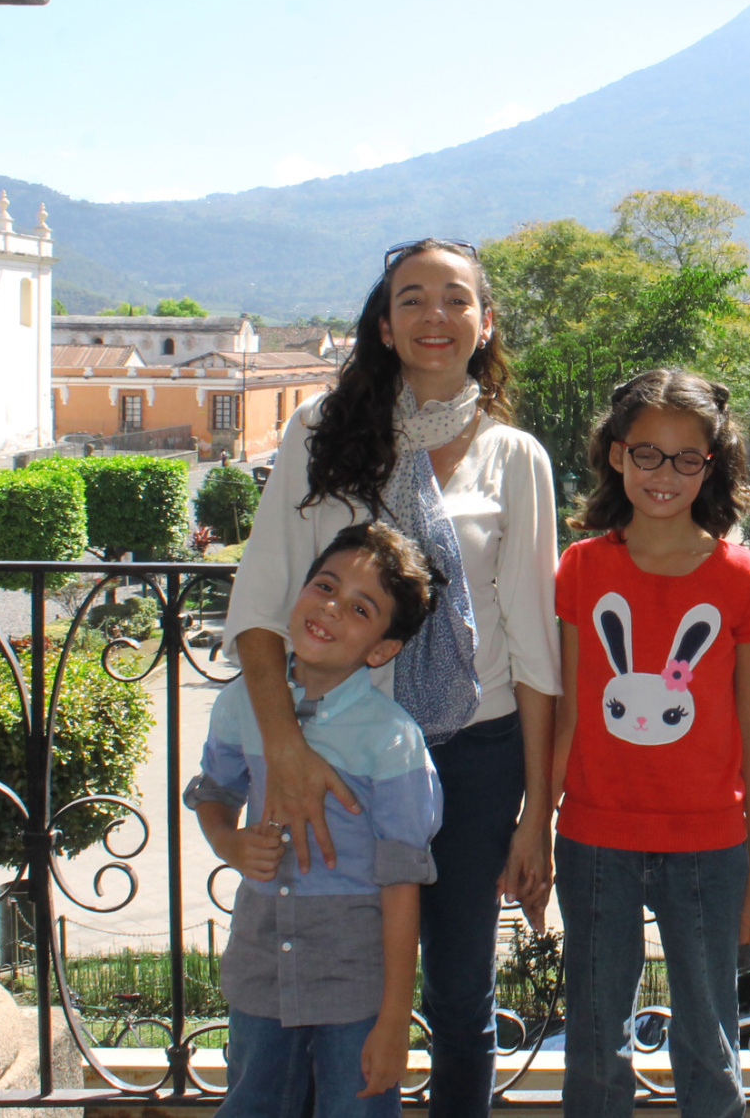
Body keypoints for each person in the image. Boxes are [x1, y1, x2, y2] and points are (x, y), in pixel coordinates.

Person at [222, 238, 561, 1118]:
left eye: (456, 299)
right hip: (334, 758)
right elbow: (260, 610)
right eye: (412, 298)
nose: (434, 316)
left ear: (486, 324)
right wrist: (285, 751)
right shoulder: (320, 434)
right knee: (312, 987)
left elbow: (533, 651)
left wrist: (536, 816)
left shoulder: (516, 457)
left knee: (458, 998)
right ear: (385, 322)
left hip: (472, 755)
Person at [548, 370, 750, 1118]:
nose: (665, 474)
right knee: (592, 1038)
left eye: (688, 457)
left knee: (710, 1038)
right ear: (617, 455)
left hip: (711, 846)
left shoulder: (744, 579)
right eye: (648, 452)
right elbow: (570, 712)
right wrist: (534, 824)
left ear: (713, 465)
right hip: (593, 837)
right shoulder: (581, 568)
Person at [189, 523, 445, 1118]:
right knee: (253, 1104)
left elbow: (403, 882)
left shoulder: (392, 741)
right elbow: (215, 791)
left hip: (352, 984)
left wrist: (392, 1021)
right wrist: (229, 841)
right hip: (260, 967)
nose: (330, 608)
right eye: (325, 586)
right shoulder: (242, 705)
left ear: (381, 649)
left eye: (359, 607)